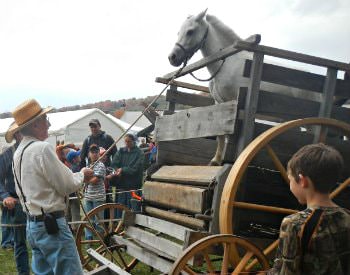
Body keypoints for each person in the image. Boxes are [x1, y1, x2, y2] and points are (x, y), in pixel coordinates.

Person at [8, 99, 93, 275]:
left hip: (33, 226)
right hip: (52, 226)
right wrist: (83, 175)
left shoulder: (18, 153)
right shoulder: (42, 149)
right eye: (45, 119)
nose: (48, 124)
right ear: (36, 125)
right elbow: (67, 185)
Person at [266, 143, 350, 275]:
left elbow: (287, 271)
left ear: (302, 180)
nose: (290, 185)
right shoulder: (347, 217)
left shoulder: (295, 224)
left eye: (291, 180)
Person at [0, 127, 29, 275]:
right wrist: (5, 196)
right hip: (17, 204)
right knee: (20, 243)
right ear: (16, 135)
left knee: (40, 241)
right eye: (23, 131)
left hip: (36, 202)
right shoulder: (7, 154)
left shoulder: (34, 150)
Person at [107, 134, 144, 218]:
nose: (127, 143)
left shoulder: (139, 153)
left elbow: (136, 168)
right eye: (125, 141)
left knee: (132, 208)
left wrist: (122, 170)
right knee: (120, 207)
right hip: (121, 185)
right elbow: (114, 164)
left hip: (133, 186)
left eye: (129, 141)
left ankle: (133, 224)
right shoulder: (121, 151)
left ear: (134, 141)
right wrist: (117, 170)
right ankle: (120, 225)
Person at [84, 144, 106, 240]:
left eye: (96, 152)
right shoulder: (88, 166)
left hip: (98, 197)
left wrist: (85, 179)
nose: (94, 154)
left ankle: (100, 239)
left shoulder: (101, 166)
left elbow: (94, 180)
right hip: (88, 196)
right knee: (89, 220)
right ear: (89, 154)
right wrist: (86, 179)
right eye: (92, 152)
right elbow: (87, 179)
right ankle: (89, 239)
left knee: (99, 221)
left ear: (99, 154)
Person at [65, 149, 82, 235]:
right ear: (74, 159)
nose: (79, 157)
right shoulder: (75, 168)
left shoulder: (70, 167)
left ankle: (69, 229)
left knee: (67, 212)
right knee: (75, 211)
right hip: (73, 193)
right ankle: (77, 229)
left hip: (68, 193)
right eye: (78, 156)